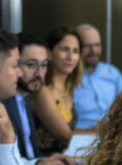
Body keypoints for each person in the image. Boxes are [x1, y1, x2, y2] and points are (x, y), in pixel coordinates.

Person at [0, 28, 72, 165]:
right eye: (30, 65)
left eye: (44, 65)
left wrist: (40, 164)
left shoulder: (22, 97)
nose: (40, 73)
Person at [30, 26, 84, 154]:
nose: (71, 57)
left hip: (68, 160)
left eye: (75, 51)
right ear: (49, 53)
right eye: (65, 49)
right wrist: (105, 137)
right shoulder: (43, 91)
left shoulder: (67, 89)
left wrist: (100, 129)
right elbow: (66, 136)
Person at [72, 23, 122, 130]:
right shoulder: (69, 77)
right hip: (81, 136)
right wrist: (93, 130)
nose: (93, 51)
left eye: (97, 45)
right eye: (87, 46)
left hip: (114, 133)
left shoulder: (112, 72)